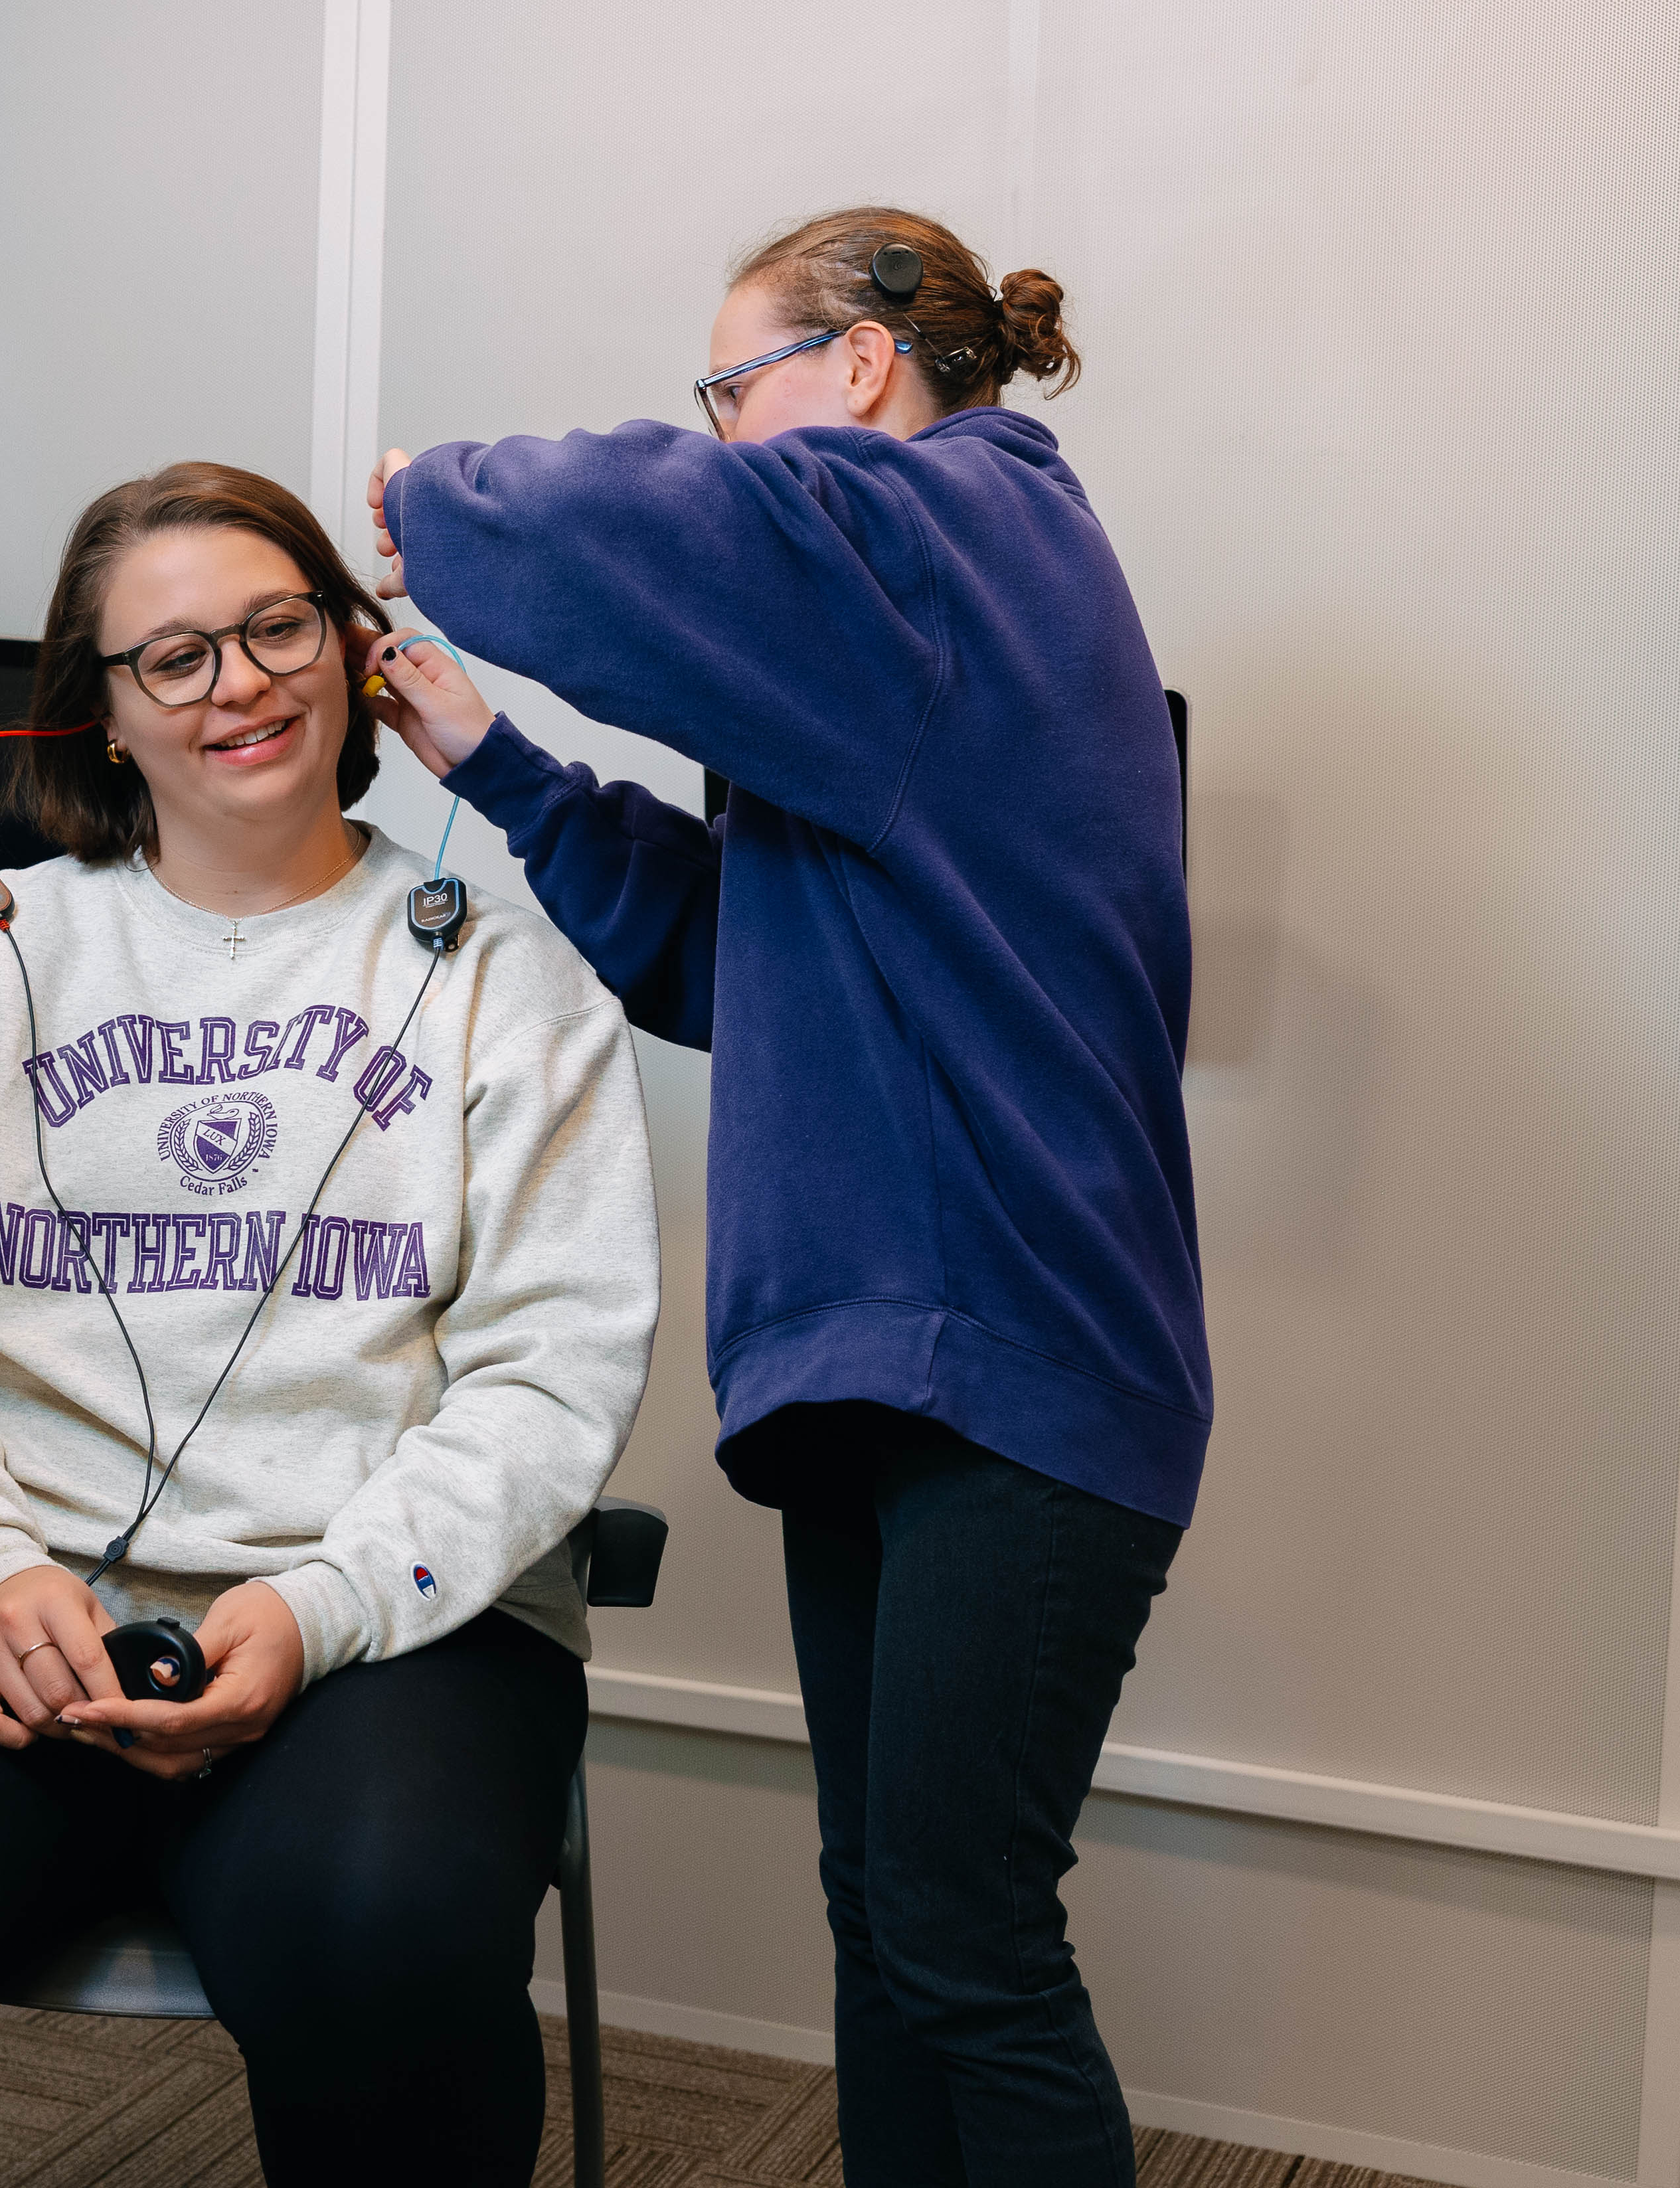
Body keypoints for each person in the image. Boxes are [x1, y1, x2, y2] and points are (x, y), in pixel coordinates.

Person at [0, 463, 659, 2187]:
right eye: (172, 657)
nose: (238, 685)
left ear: (351, 653)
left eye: (274, 630)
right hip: (8, 1596)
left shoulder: (504, 971)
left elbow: (551, 1375)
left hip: (376, 1618)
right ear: (101, 712)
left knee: (383, 1945)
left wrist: (321, 1605)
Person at [361, 206, 1205, 2187]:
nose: (727, 440)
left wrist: (434, 500)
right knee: (895, 1927)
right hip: (901, 1374)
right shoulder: (910, 642)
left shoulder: (967, 534)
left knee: (968, 1946)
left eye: (732, 391)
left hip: (1014, 1359)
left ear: (862, 366)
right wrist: (497, 763)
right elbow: (732, 962)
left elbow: (630, 532)